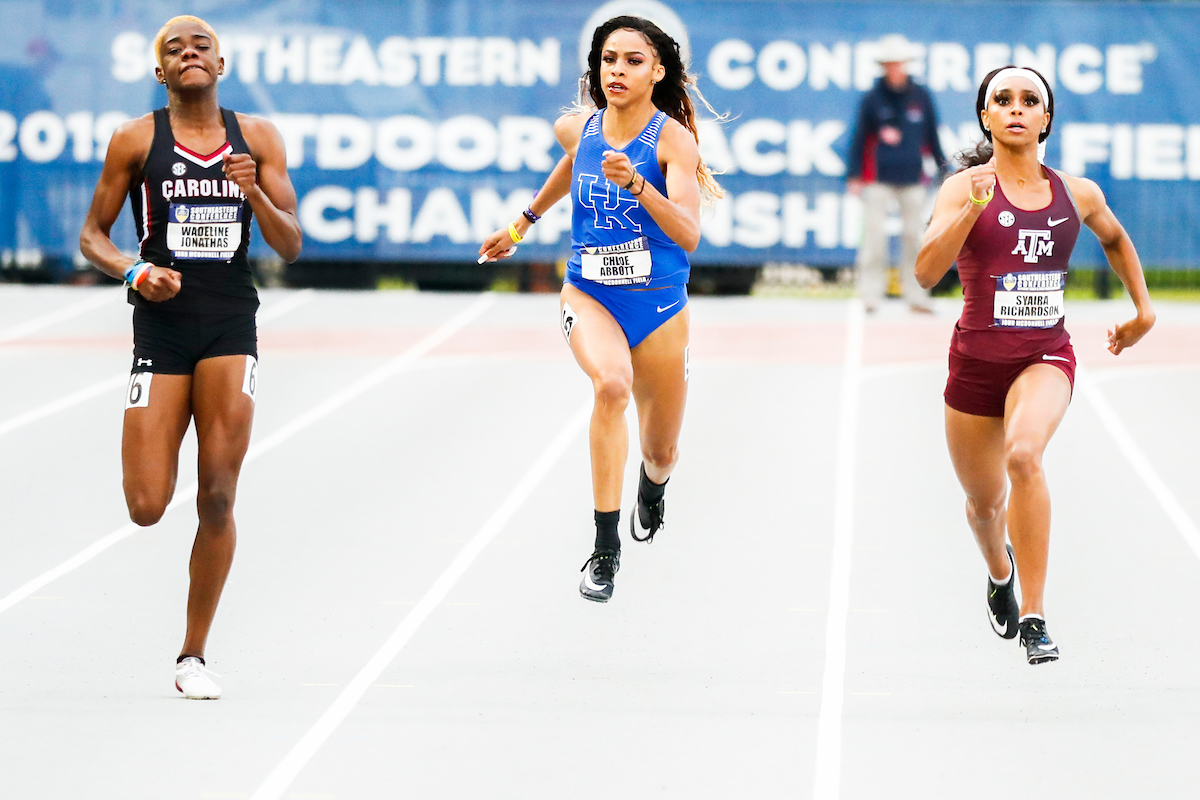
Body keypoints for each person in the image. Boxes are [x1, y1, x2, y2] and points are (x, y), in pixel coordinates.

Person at [79, 16, 302, 697]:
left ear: (221, 63)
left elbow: (290, 244)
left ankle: (192, 656)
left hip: (230, 324)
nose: (188, 54)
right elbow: (93, 235)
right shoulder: (135, 139)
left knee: (218, 495)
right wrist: (132, 271)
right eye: (173, 49)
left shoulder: (256, 138)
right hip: (162, 328)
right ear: (160, 73)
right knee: (147, 504)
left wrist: (253, 191)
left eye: (200, 45)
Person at [915, 66, 1154, 664]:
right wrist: (970, 211)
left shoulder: (1077, 193)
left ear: (1046, 119)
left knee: (1024, 455)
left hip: (1044, 354)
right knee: (984, 504)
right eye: (1003, 100)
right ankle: (1000, 570)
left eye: (1030, 100)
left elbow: (1116, 240)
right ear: (986, 117)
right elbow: (924, 273)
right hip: (974, 361)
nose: (1016, 108)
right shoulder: (961, 188)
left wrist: (1142, 311)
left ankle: (1035, 615)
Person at [479, 15, 720, 602]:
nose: (617, 70)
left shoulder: (673, 142)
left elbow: (688, 235)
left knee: (661, 450)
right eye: (609, 59)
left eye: (633, 61)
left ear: (658, 72)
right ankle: (604, 549)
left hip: (659, 305)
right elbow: (574, 163)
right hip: (590, 291)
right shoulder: (576, 127)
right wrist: (523, 223)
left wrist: (639, 186)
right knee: (611, 386)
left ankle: (653, 487)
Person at [847, 34, 948, 313]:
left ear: (905, 64)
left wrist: (944, 171)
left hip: (913, 179)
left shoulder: (921, 96)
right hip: (878, 178)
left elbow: (932, 137)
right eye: (890, 63)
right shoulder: (872, 98)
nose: (894, 68)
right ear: (884, 65)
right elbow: (859, 138)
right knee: (873, 240)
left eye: (898, 62)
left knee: (915, 238)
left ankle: (917, 297)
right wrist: (854, 175)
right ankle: (870, 296)